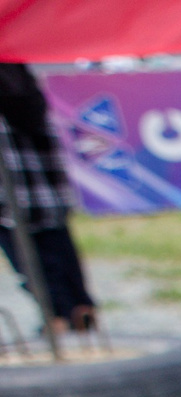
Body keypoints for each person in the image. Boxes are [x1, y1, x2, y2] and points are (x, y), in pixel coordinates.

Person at [0, 65, 98, 334]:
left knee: (27, 253)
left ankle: (59, 315)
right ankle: (79, 307)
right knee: (56, 244)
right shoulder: (14, 69)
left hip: (14, 189)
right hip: (42, 184)